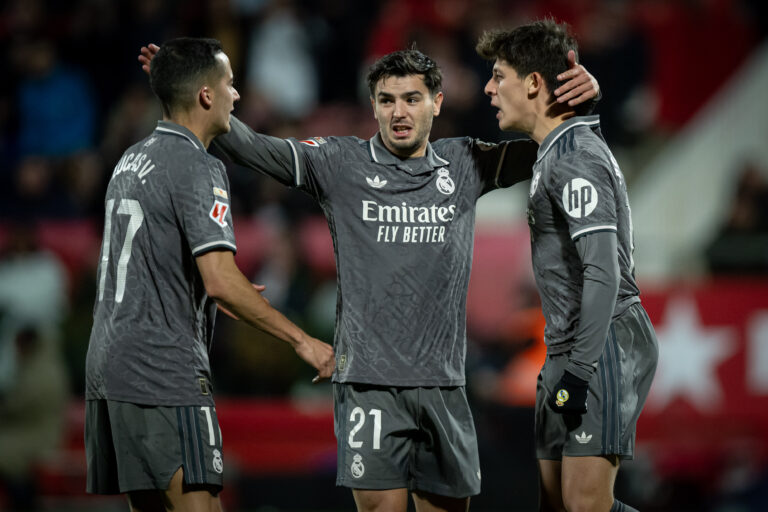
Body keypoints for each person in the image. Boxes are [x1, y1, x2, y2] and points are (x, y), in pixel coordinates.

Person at [139, 42, 598, 512]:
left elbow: (554, 143)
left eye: (412, 99)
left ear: (437, 104)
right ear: (373, 106)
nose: (399, 112)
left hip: (444, 386)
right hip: (369, 386)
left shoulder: (465, 162)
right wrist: (186, 90)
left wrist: (585, 102)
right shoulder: (339, 164)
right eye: (387, 100)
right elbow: (249, 146)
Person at [85, 37, 334, 512]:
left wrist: (215, 287)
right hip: (163, 370)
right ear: (205, 95)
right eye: (230, 85)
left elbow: (170, 266)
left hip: (109, 366)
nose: (236, 96)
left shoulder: (130, 160)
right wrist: (303, 341)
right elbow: (221, 280)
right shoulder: (199, 166)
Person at [477, 20, 658, 512]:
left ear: (533, 83)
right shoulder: (553, 154)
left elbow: (604, 272)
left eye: (498, 76)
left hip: (601, 344)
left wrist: (578, 371)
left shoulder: (575, 158)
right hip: (566, 346)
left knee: (585, 506)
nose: (489, 89)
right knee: (560, 506)